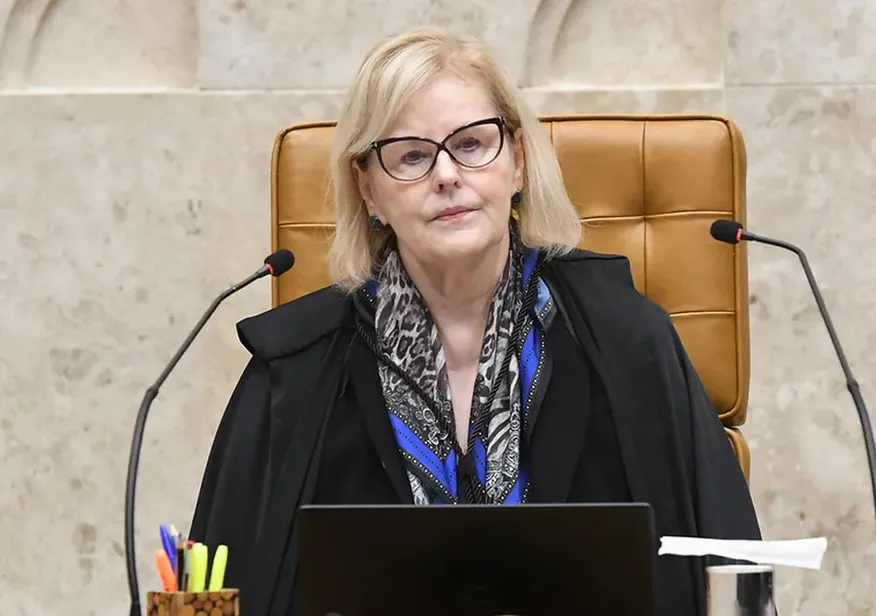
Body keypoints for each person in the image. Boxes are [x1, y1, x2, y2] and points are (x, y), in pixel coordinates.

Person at [189, 25, 762, 616]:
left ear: (516, 162)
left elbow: (730, 570)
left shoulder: (627, 340)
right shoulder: (295, 370)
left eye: (470, 144)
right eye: (411, 155)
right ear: (369, 191)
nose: (446, 174)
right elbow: (215, 586)